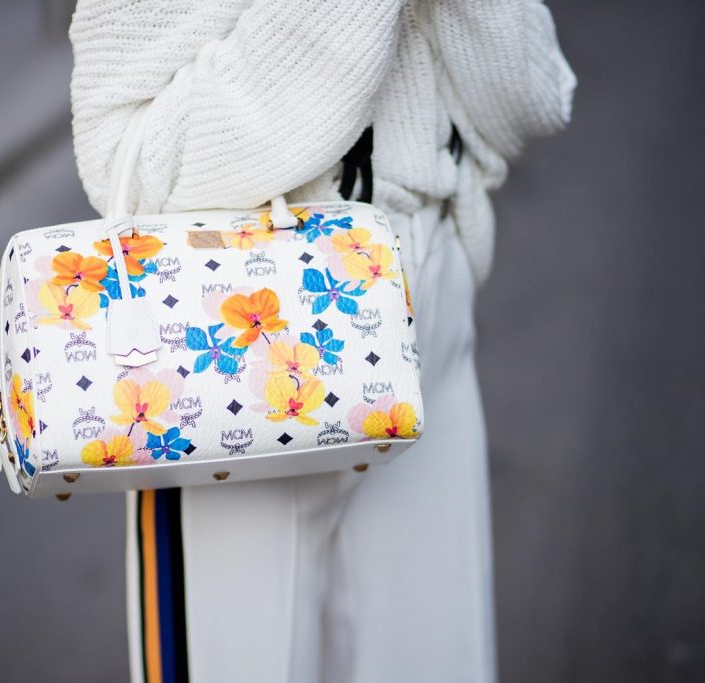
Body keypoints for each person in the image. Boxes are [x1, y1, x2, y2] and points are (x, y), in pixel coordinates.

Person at [69, 1, 575, 681]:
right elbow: (128, 166)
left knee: (438, 662)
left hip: (427, 311)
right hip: (237, 354)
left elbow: (533, 101)